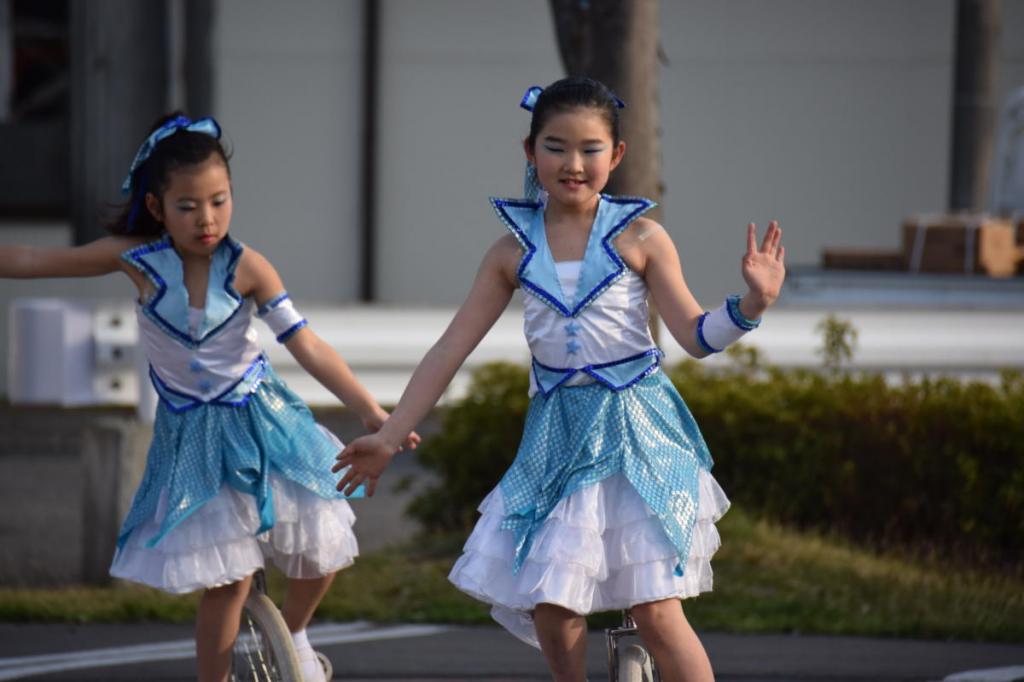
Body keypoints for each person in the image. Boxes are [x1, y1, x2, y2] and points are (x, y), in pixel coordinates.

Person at [335, 76, 785, 682]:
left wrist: (751, 305)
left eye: (590, 148)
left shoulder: (642, 237)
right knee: (552, 605)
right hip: (555, 441)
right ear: (530, 152)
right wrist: (390, 436)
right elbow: (449, 350)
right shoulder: (509, 253)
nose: (573, 164)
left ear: (616, 155)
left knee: (656, 610)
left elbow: (696, 337)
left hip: (638, 435)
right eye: (556, 146)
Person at [0, 112, 416, 682]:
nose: (206, 219)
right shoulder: (136, 261)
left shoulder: (247, 267)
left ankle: (293, 633)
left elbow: (307, 343)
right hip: (193, 439)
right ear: (157, 209)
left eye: (219, 201)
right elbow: (33, 260)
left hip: (262, 421)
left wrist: (371, 411)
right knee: (229, 579)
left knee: (323, 536)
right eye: (188, 206)